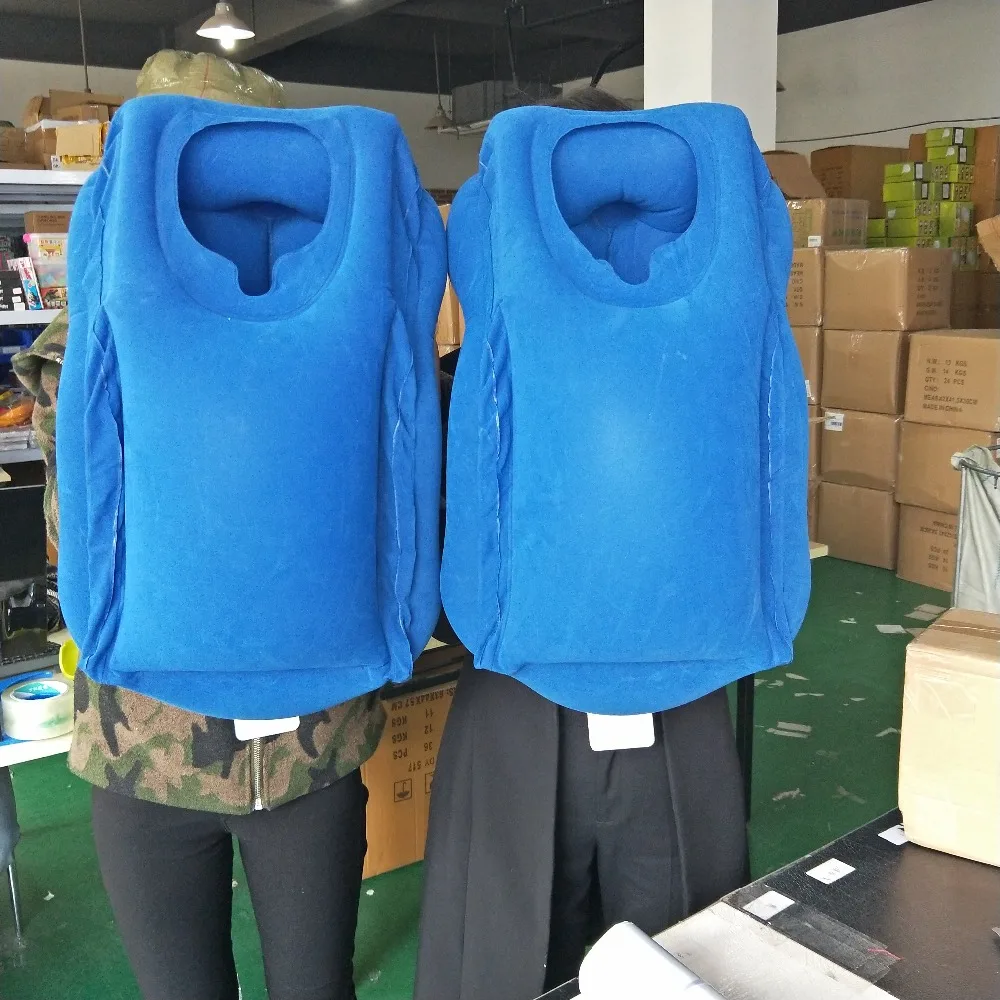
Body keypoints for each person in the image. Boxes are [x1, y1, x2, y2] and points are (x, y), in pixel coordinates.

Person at [12, 56, 389, 1000]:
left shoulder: (337, 306)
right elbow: (77, 533)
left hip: (305, 746)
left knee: (315, 988)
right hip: (150, 751)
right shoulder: (98, 330)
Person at [413, 87, 748, 1000]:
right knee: (573, 949)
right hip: (542, 702)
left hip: (647, 698)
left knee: (667, 947)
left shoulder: (705, 354)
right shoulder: (471, 383)